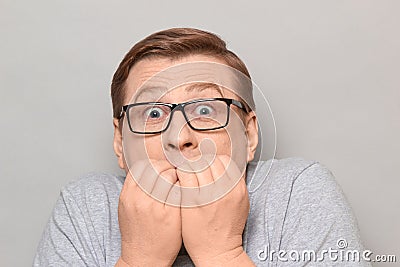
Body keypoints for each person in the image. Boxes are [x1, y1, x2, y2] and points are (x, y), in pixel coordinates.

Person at [34, 28, 370, 266]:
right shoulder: (84, 207)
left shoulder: (298, 190)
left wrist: (221, 254)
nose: (180, 138)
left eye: (205, 109)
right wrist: (142, 258)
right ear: (121, 143)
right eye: (152, 113)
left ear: (249, 135)